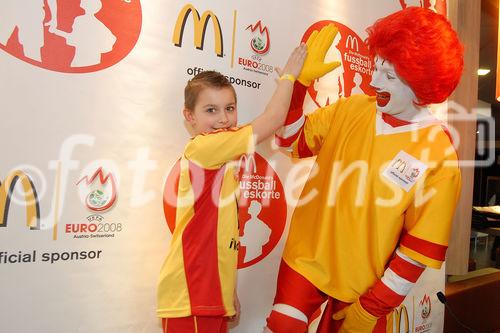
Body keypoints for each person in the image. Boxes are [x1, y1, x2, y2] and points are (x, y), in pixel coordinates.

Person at [266, 7, 463, 333]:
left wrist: (374, 306)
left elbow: (419, 245)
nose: (372, 81)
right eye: (376, 69)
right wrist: (299, 85)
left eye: (388, 76)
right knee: (283, 325)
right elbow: (291, 140)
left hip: (365, 282)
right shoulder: (352, 109)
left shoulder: (439, 152)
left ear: (421, 81)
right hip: (307, 259)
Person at [157, 44, 306, 333]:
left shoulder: (223, 160)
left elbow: (221, 240)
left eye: (229, 108)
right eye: (211, 110)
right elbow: (272, 120)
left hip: (207, 297)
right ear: (189, 117)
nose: (223, 119)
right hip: (190, 298)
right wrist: (288, 78)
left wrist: (227, 294)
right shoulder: (206, 147)